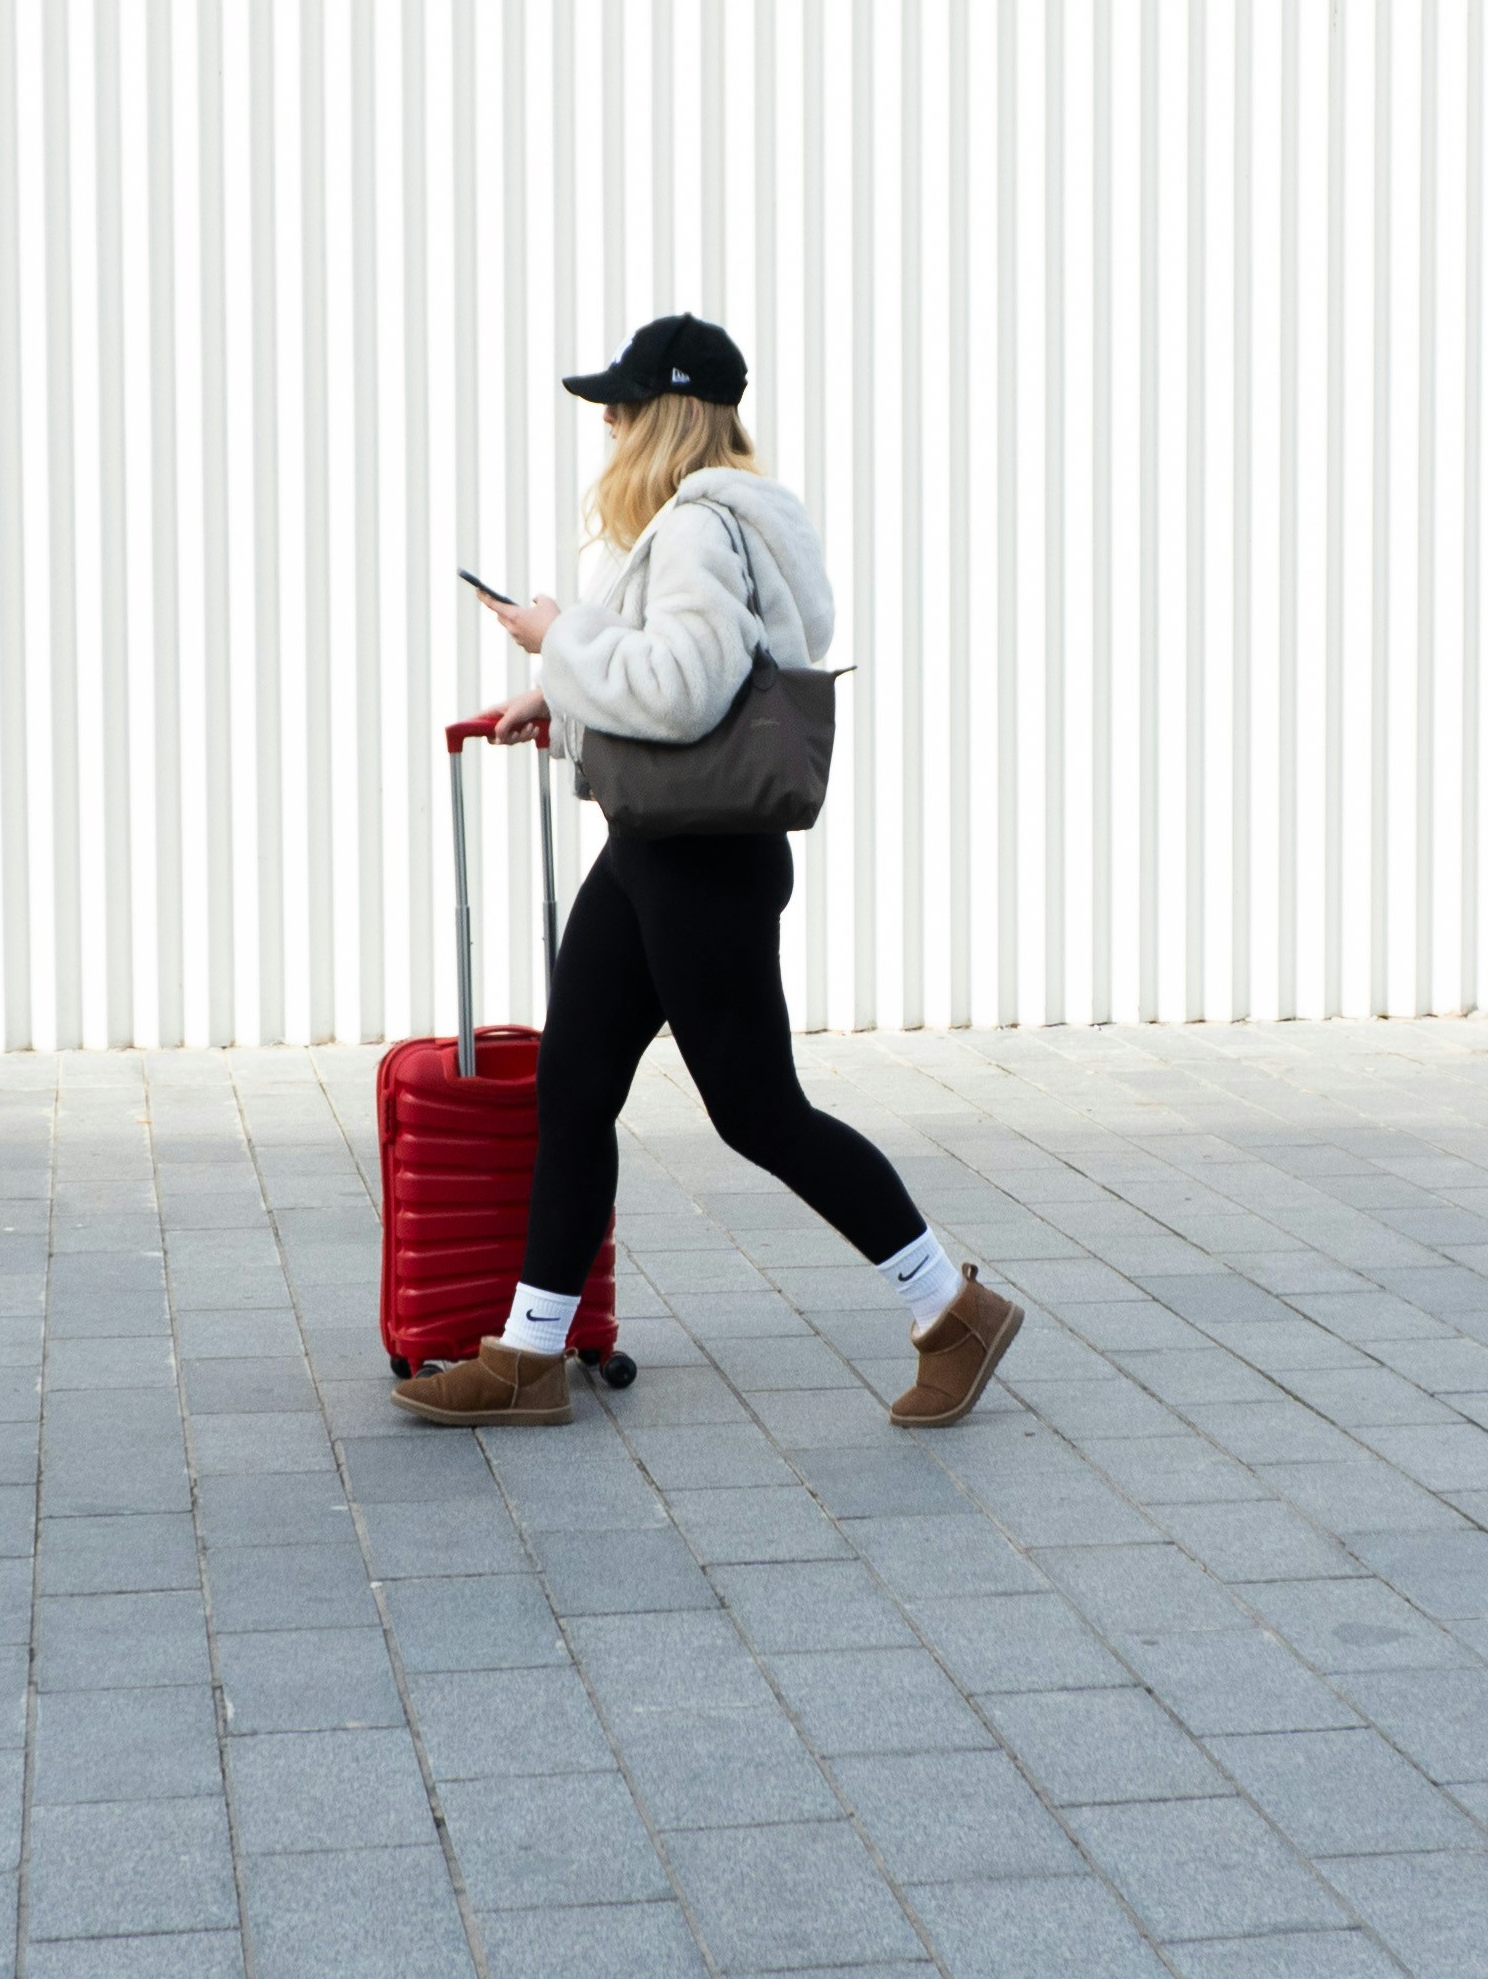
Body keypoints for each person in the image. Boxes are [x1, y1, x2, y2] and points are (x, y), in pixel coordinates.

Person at [394, 316, 1029, 1431]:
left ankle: (952, 1306)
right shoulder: (728, 525)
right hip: (655, 852)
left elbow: (684, 689)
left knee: (757, 1110)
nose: (605, 422)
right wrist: (561, 701)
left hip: (700, 864)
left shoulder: (696, 528)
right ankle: (533, 1350)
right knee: (575, 1085)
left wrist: (558, 640)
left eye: (620, 404)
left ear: (665, 416)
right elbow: (688, 690)